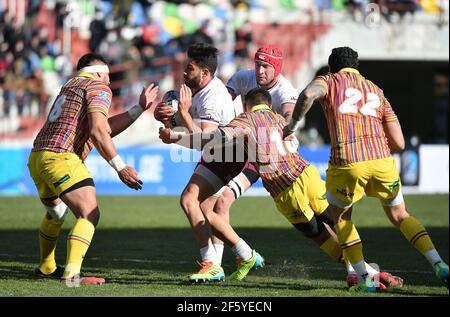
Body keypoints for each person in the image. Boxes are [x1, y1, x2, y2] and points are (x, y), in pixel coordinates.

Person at [161, 88, 403, 288]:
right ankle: (367, 272)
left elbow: (210, 140)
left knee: (319, 235)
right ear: (268, 104)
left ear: (246, 105)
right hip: (308, 174)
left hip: (285, 188)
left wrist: (175, 135)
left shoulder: (245, 120)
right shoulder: (279, 119)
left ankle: (364, 275)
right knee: (339, 222)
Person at [283, 46, 449, 291]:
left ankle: (363, 276)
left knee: (340, 216)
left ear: (331, 67)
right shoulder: (376, 90)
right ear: (356, 67)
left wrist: (293, 125)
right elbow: (400, 143)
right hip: (382, 161)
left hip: (348, 161)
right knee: (401, 215)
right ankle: (439, 263)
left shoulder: (330, 80)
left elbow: (307, 95)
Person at [28, 53, 159, 285]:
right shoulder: (98, 86)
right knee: (89, 212)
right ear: (99, 73)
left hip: (38, 156)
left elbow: (101, 127)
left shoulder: (70, 85)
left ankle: (46, 268)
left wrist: (138, 109)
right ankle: (71, 275)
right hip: (61, 156)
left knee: (56, 213)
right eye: (107, 76)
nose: (109, 82)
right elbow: (99, 131)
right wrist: (120, 167)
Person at [154, 43, 255, 283]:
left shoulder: (214, 97)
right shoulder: (196, 89)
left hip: (231, 156)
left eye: (189, 69)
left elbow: (206, 142)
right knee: (202, 207)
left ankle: (216, 262)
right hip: (218, 154)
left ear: (205, 73)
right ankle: (237, 257)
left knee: (192, 201)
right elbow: (191, 135)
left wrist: (183, 119)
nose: (184, 73)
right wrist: (166, 120)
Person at [211, 45, 299, 267]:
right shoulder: (242, 77)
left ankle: (354, 265)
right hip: (248, 151)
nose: (260, 71)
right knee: (219, 202)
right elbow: (220, 102)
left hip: (278, 157)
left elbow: (290, 117)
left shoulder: (284, 90)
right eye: (258, 65)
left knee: (309, 216)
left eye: (266, 67)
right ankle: (214, 265)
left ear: (276, 68)